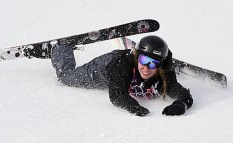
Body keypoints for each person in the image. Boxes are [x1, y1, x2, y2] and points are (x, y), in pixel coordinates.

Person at [50, 35, 193, 116]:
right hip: (105, 69)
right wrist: (133, 106)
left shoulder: (163, 76)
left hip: (129, 72)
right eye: (144, 60)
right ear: (137, 58)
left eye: (153, 63)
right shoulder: (122, 67)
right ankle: (59, 48)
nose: (147, 68)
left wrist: (181, 104)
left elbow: (183, 94)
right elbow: (116, 94)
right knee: (66, 78)